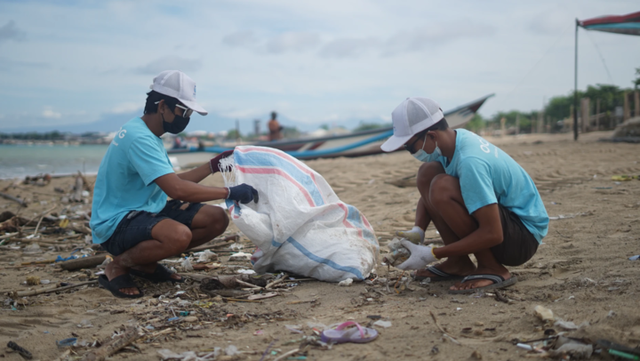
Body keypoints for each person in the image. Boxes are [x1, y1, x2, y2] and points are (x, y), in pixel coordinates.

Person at [90, 70, 258, 298]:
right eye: (183, 110)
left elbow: (172, 181)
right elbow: (176, 190)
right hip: (116, 222)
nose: (186, 118)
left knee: (216, 219)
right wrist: (229, 191)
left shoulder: (147, 133)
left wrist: (212, 166)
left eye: (189, 112)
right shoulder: (139, 138)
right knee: (178, 235)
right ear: (162, 106)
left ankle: (144, 263)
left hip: (146, 210)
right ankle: (118, 265)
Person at [380, 97, 548, 293]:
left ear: (432, 136)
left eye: (410, 147)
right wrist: (418, 229)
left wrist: (433, 253)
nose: (410, 152)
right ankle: (457, 262)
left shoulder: (470, 161)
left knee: (441, 186)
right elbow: (428, 196)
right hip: (507, 226)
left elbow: (493, 233)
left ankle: (492, 268)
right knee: (428, 173)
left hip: (522, 237)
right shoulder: (452, 142)